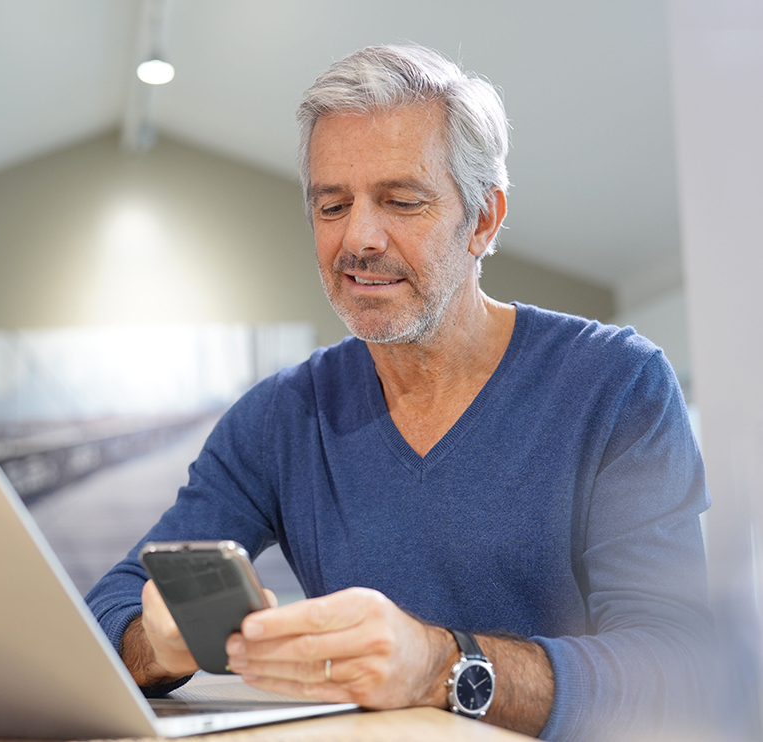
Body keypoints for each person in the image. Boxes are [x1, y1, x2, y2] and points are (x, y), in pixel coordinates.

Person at [86, 44, 712, 741]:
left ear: (482, 220)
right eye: (331, 206)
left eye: (401, 201)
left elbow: (679, 669)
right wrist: (161, 644)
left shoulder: (618, 386)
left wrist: (442, 666)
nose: (358, 238)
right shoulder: (280, 419)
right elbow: (104, 611)